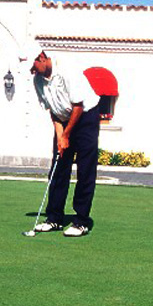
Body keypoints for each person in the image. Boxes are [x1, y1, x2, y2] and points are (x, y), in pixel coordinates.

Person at [27, 49, 101, 237]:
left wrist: (67, 134)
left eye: (33, 66)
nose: (32, 71)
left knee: (85, 169)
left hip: (86, 117)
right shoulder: (38, 80)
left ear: (41, 57)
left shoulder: (67, 70)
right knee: (59, 167)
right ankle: (54, 218)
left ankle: (81, 221)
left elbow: (78, 106)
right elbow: (53, 110)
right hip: (63, 120)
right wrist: (61, 136)